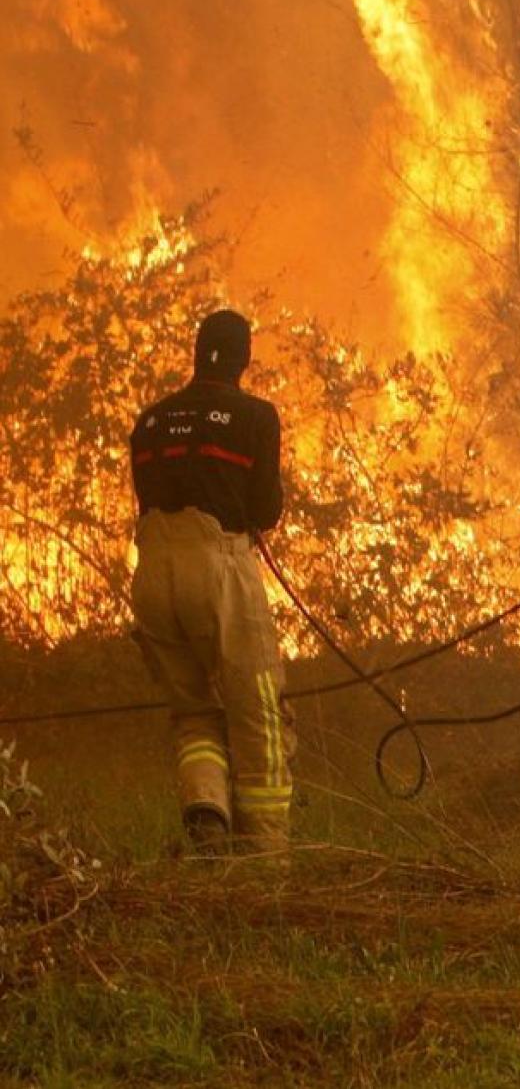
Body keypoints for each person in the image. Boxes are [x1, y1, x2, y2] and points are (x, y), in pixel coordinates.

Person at [129, 309, 293, 854]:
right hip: (217, 565)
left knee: (194, 708)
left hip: (152, 571)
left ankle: (206, 807)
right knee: (257, 709)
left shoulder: (149, 422)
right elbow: (265, 509)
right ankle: (265, 862)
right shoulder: (255, 417)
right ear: (244, 359)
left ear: (197, 353)